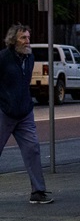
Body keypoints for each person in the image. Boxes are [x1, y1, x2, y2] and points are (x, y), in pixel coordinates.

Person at [0, 25, 51, 204]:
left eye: (28, 37)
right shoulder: (3, 58)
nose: (27, 41)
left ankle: (38, 191)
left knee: (33, 149)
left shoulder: (30, 57)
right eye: (23, 38)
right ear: (13, 40)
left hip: (24, 113)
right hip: (5, 112)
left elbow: (25, 82)